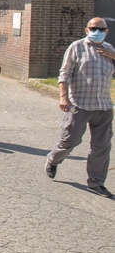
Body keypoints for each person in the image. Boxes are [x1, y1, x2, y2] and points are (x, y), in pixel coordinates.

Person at [46, 17, 114, 198]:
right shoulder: (76, 47)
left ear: (106, 31)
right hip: (80, 104)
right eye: (93, 28)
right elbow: (65, 73)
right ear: (86, 30)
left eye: (101, 29)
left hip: (104, 106)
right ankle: (53, 159)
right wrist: (63, 97)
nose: (97, 31)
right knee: (70, 140)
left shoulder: (110, 50)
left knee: (102, 146)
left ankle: (96, 182)